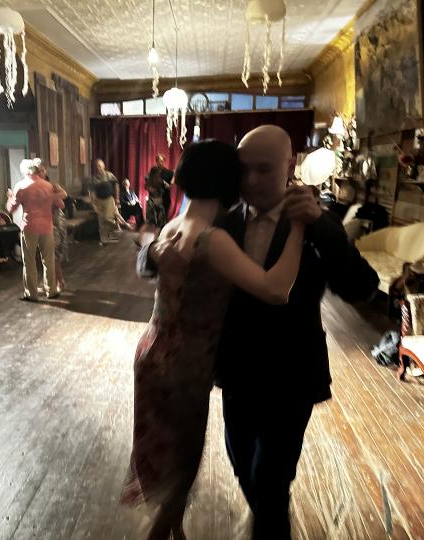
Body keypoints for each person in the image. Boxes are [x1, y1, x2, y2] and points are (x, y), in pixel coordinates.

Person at [138, 126, 379, 540]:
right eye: (243, 169)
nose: (250, 180)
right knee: (243, 467)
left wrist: (320, 226)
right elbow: (158, 257)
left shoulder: (316, 221)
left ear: (289, 166)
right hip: (235, 375)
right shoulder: (223, 222)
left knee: (270, 480)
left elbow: (363, 288)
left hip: (291, 375)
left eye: (263, 170)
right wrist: (151, 252)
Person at [122, 139, 306, 540]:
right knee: (183, 465)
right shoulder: (213, 240)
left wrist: (147, 245)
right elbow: (275, 289)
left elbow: (147, 263)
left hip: (151, 349)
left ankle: (177, 533)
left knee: (163, 452)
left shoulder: (171, 228)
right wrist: (298, 230)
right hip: (186, 363)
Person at [6, 158, 67, 301]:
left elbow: (11, 209)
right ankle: (51, 290)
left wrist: (10, 197)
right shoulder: (48, 185)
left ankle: (31, 294)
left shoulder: (20, 186)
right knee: (48, 260)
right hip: (47, 226)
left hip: (30, 227)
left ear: (25, 172)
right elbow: (60, 204)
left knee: (29, 261)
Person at [43, 170, 69, 291]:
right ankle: (52, 281)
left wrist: (49, 197)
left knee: (53, 254)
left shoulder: (52, 186)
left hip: (55, 222)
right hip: (44, 222)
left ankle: (59, 281)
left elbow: (63, 198)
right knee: (48, 255)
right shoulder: (34, 189)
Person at [91, 159, 121, 245]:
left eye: (100, 166)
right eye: (97, 166)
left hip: (109, 200)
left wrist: (117, 198)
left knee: (109, 219)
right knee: (101, 220)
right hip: (99, 200)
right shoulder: (95, 178)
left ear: (103, 166)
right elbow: (92, 191)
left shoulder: (109, 175)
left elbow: (116, 185)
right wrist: (93, 204)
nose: (99, 168)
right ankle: (103, 239)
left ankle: (109, 235)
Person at [146, 153, 173, 225]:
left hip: (165, 198)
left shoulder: (169, 173)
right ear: (156, 161)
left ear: (164, 161)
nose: (159, 162)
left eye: (161, 160)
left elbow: (171, 186)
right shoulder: (153, 171)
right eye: (158, 160)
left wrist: (168, 186)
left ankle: (162, 230)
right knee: (154, 220)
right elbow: (148, 184)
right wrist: (150, 189)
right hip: (154, 198)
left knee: (163, 220)